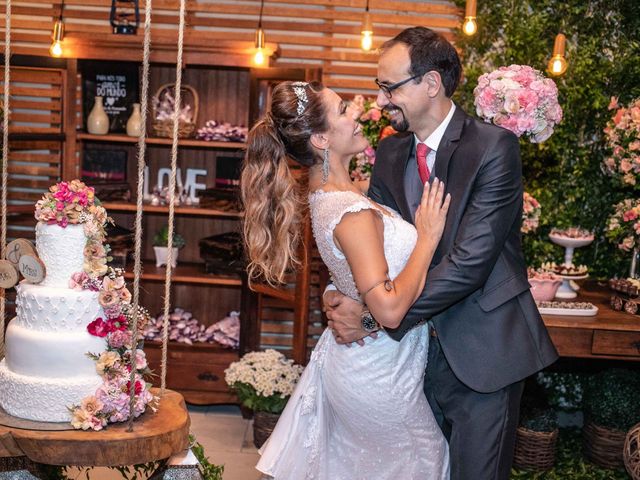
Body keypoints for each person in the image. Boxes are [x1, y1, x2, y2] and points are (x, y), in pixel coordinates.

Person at [324, 27, 559, 480]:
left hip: (484, 351)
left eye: (389, 88)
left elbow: (471, 263)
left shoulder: (492, 147)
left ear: (431, 84)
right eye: (379, 88)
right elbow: (375, 246)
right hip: (408, 359)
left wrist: (378, 316)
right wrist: (344, 295)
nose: (380, 102)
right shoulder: (391, 152)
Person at [241, 80, 451, 479]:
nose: (355, 115)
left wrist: (340, 292)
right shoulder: (350, 211)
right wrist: (426, 238)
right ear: (321, 138)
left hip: (367, 363)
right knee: (427, 459)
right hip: (379, 378)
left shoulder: (330, 197)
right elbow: (388, 309)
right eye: (342, 111)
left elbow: (350, 273)